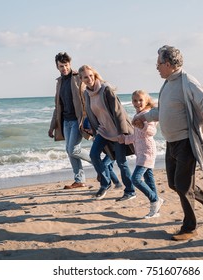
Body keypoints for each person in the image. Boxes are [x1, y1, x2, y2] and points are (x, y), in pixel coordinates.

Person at [133, 45, 203, 241]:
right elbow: (163, 111)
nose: (156, 67)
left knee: (183, 187)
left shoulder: (187, 81)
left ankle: (189, 228)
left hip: (186, 142)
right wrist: (146, 117)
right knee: (175, 184)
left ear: (168, 64)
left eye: (158, 63)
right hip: (171, 142)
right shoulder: (167, 84)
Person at [99, 90, 163, 218]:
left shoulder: (147, 115)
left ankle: (155, 199)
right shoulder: (136, 116)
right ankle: (155, 208)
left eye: (140, 100)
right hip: (140, 152)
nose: (137, 103)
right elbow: (136, 137)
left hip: (147, 151)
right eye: (135, 100)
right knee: (149, 179)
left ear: (146, 102)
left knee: (136, 179)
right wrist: (123, 139)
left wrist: (142, 126)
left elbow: (152, 131)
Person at [78, 64, 136, 201]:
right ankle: (105, 183)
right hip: (103, 131)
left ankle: (130, 191)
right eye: (85, 77)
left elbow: (118, 112)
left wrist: (122, 133)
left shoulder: (106, 90)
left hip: (117, 131)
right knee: (93, 154)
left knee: (121, 162)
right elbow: (92, 114)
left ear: (95, 75)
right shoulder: (86, 93)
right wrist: (93, 129)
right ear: (81, 79)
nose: (89, 79)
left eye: (91, 76)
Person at [48, 52, 91, 189]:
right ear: (57, 67)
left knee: (73, 150)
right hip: (65, 121)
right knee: (69, 150)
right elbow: (57, 105)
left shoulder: (77, 77)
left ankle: (98, 162)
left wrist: (89, 118)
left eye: (66, 65)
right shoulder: (59, 82)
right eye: (61, 66)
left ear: (70, 64)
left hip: (78, 120)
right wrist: (52, 126)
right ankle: (79, 180)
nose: (64, 68)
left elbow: (88, 97)